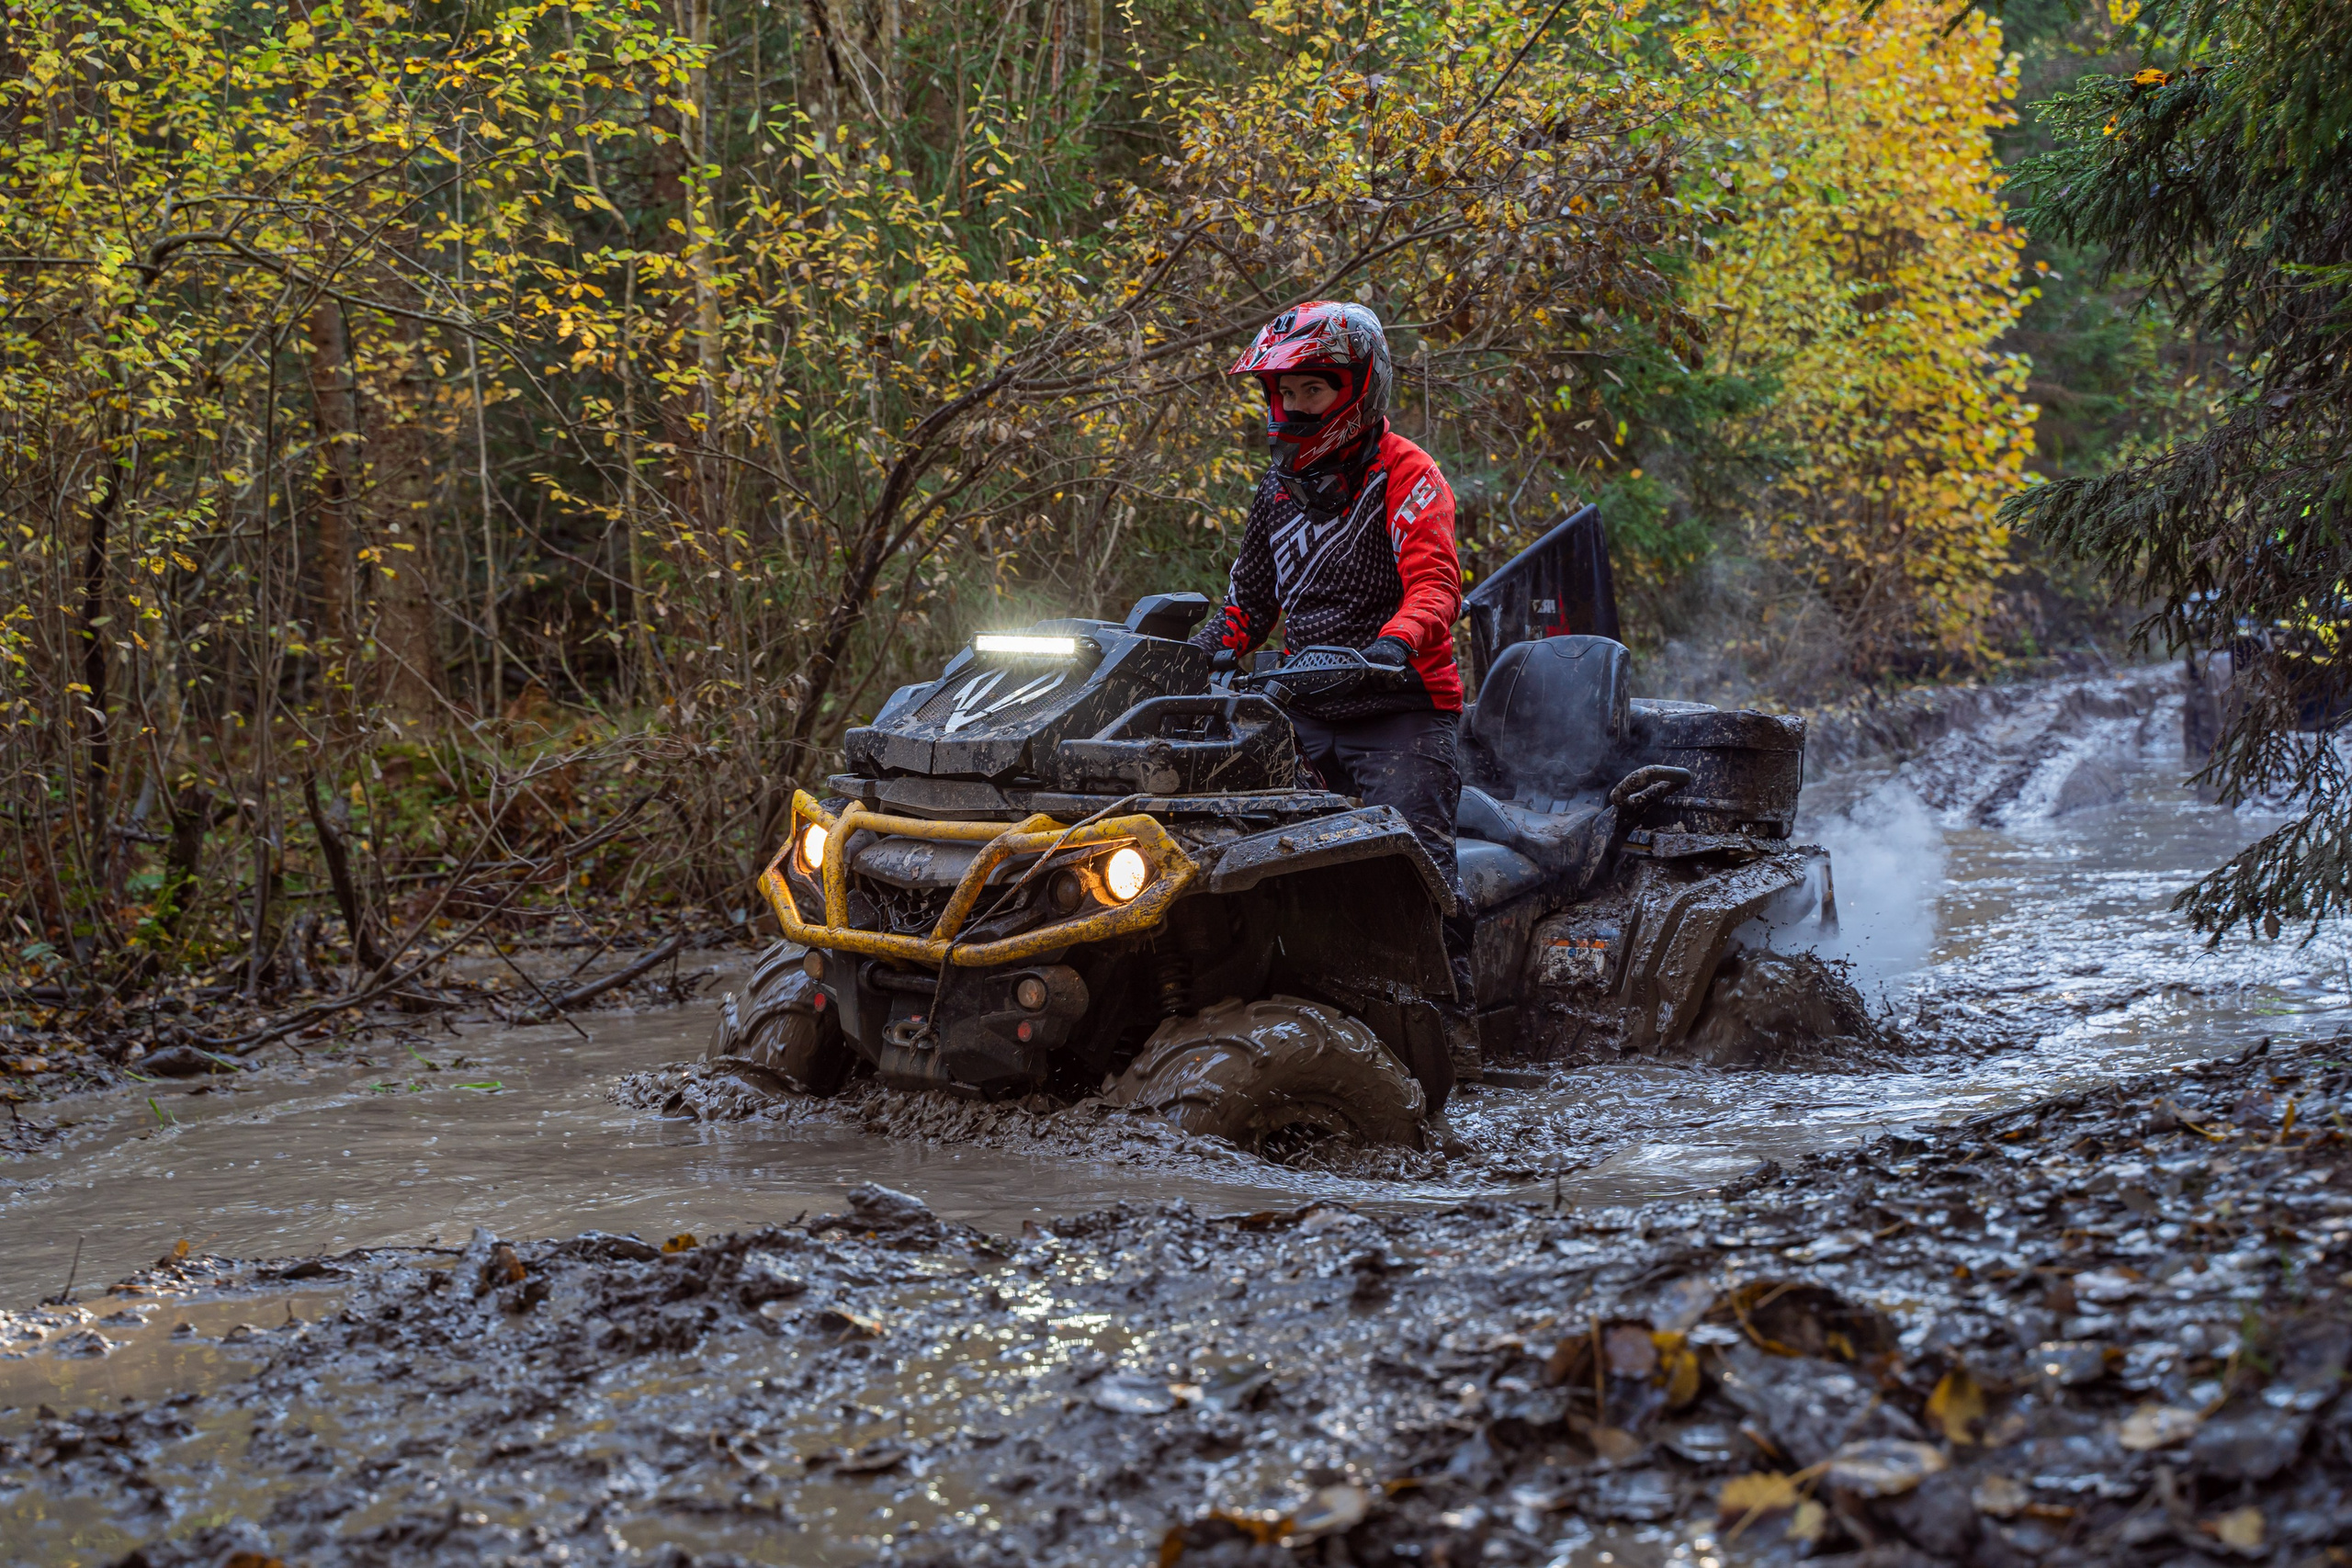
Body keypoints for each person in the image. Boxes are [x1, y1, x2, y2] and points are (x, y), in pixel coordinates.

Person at [1190, 301, 1479, 1042]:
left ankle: (1451, 1043)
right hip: (1305, 705)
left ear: (1358, 388)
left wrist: (1395, 642)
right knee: (1232, 846)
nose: (1292, 407)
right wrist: (1203, 654)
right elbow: (1247, 602)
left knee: (1415, 877)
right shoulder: (1274, 489)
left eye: (1311, 390)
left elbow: (1437, 586)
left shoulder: (1410, 476)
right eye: (1283, 392)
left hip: (1402, 706)